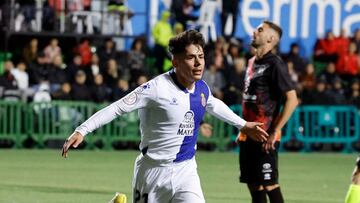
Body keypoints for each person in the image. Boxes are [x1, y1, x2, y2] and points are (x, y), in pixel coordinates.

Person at [62, 30, 269, 203]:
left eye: (201, 56)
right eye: (190, 57)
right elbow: (117, 108)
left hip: (186, 170)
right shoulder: (155, 89)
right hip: (152, 172)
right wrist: (82, 129)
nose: (198, 63)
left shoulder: (202, 88)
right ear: (175, 61)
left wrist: (243, 125)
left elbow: (213, 104)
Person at [237, 21, 298, 203]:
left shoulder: (275, 64)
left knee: (269, 183)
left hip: (265, 136)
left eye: (260, 30)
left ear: (271, 38)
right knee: (253, 183)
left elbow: (292, 99)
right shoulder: (251, 62)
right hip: (248, 134)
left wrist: (275, 131)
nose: (255, 31)